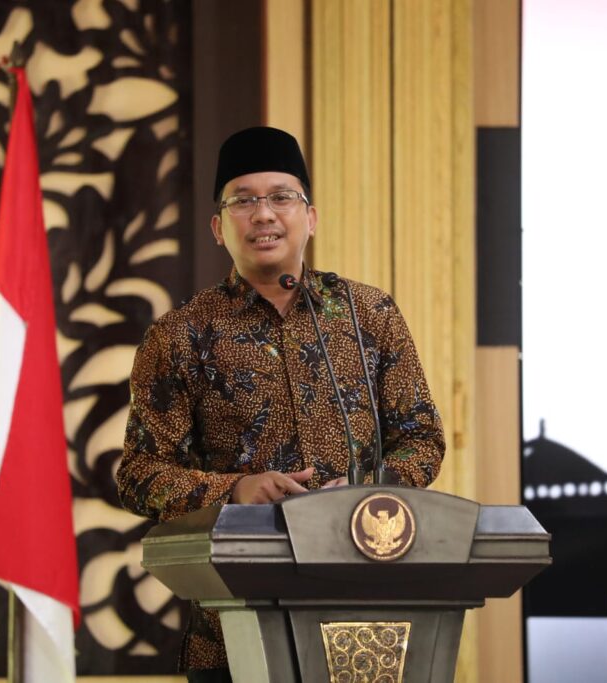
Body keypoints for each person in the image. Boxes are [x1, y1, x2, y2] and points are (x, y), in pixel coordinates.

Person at [115, 126, 444, 682]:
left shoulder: (369, 314)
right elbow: (138, 475)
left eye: (281, 197)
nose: (263, 214)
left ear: (310, 217)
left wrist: (366, 492)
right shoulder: (180, 335)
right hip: (235, 621)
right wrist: (235, 491)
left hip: (364, 610)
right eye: (243, 201)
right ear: (218, 228)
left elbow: (422, 439)